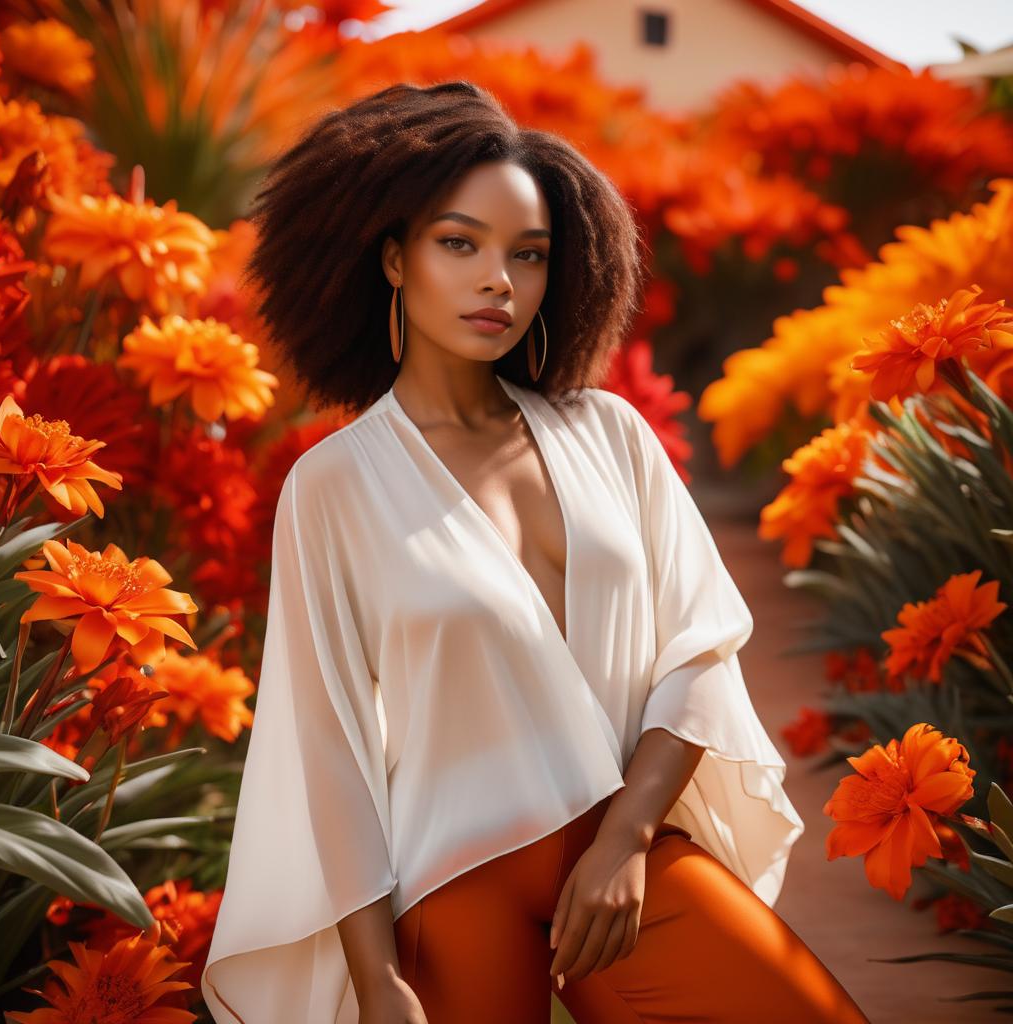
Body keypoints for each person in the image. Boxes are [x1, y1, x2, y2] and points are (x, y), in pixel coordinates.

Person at [201, 80, 870, 1024]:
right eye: (459, 244)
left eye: (529, 255)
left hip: (621, 849)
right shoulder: (336, 486)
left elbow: (700, 645)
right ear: (394, 259)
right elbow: (331, 750)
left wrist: (626, 841)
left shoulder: (610, 435)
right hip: (450, 884)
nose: (497, 282)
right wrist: (378, 981)